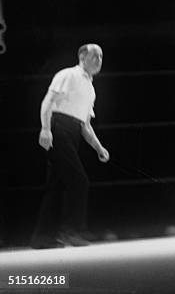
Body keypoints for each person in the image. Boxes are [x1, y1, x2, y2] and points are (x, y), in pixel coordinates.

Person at [31, 44, 110, 248]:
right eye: (94, 56)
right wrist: (45, 129)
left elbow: (85, 124)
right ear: (82, 56)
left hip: (72, 132)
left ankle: (42, 238)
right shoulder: (68, 75)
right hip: (58, 128)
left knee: (56, 185)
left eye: (101, 56)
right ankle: (71, 232)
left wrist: (98, 148)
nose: (99, 60)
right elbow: (47, 102)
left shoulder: (91, 88)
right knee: (78, 181)